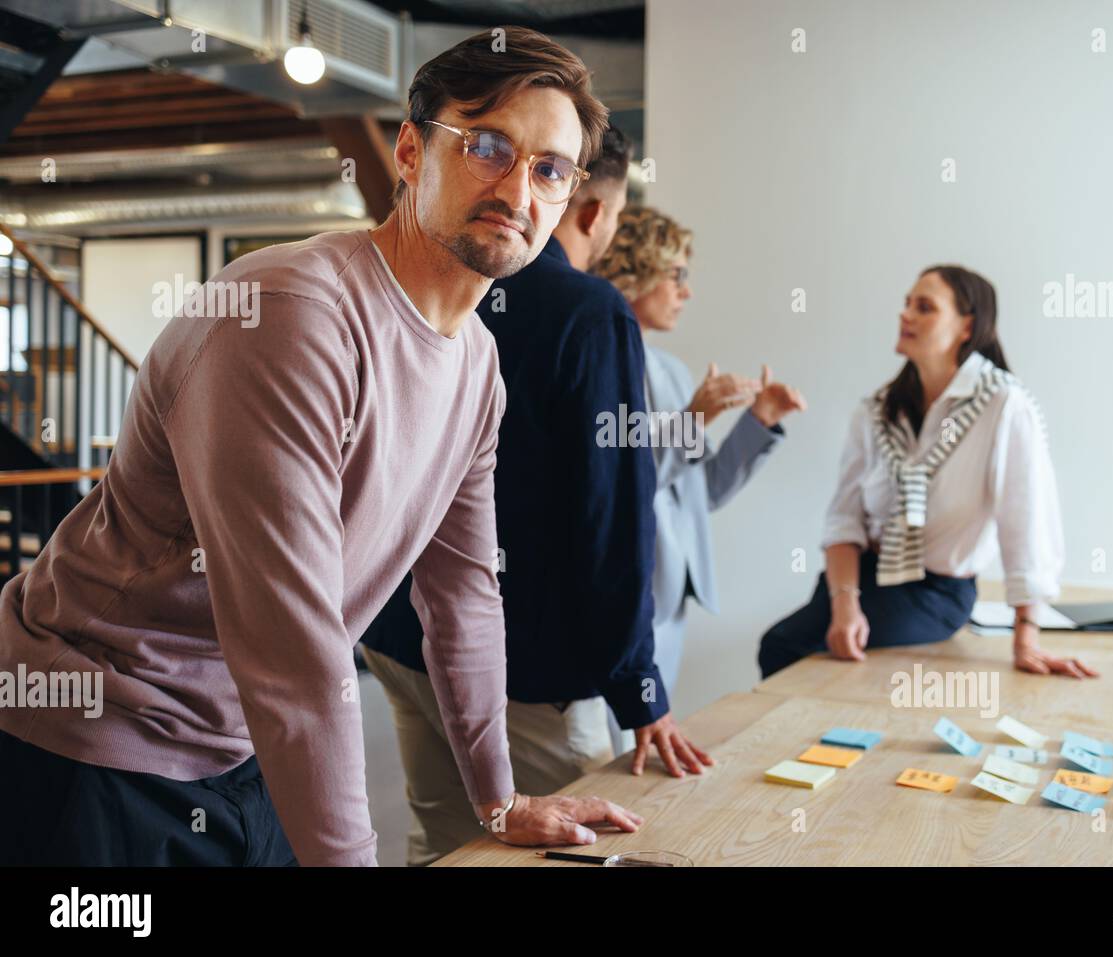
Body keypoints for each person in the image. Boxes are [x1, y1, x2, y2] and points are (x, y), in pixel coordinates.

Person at [0, 26, 644, 867]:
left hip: (246, 742)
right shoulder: (291, 313)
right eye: (487, 146)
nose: (519, 187)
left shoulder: (477, 363)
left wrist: (497, 795)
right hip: (97, 739)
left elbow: (464, 596)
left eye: (550, 168)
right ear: (411, 152)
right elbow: (293, 647)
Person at [359, 130, 713, 865]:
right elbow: (610, 520)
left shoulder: (426, 280)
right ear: (590, 212)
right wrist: (637, 684)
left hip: (397, 628)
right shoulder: (590, 312)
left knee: (445, 842)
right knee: (568, 852)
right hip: (528, 666)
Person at [758, 265, 1099, 680]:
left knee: (784, 646)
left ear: (966, 326)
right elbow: (844, 519)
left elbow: (1026, 520)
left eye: (925, 307)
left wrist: (1025, 638)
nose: (906, 315)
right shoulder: (876, 411)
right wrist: (845, 602)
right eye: (906, 304)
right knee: (789, 648)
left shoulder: (1004, 405)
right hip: (860, 580)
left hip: (935, 593)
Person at [591, 205, 805, 741]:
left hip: (673, 596)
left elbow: (701, 491)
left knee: (641, 747)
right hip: (620, 591)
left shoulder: (670, 369)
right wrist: (695, 419)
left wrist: (760, 422)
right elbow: (619, 484)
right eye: (676, 275)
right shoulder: (598, 362)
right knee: (606, 751)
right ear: (634, 269)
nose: (686, 292)